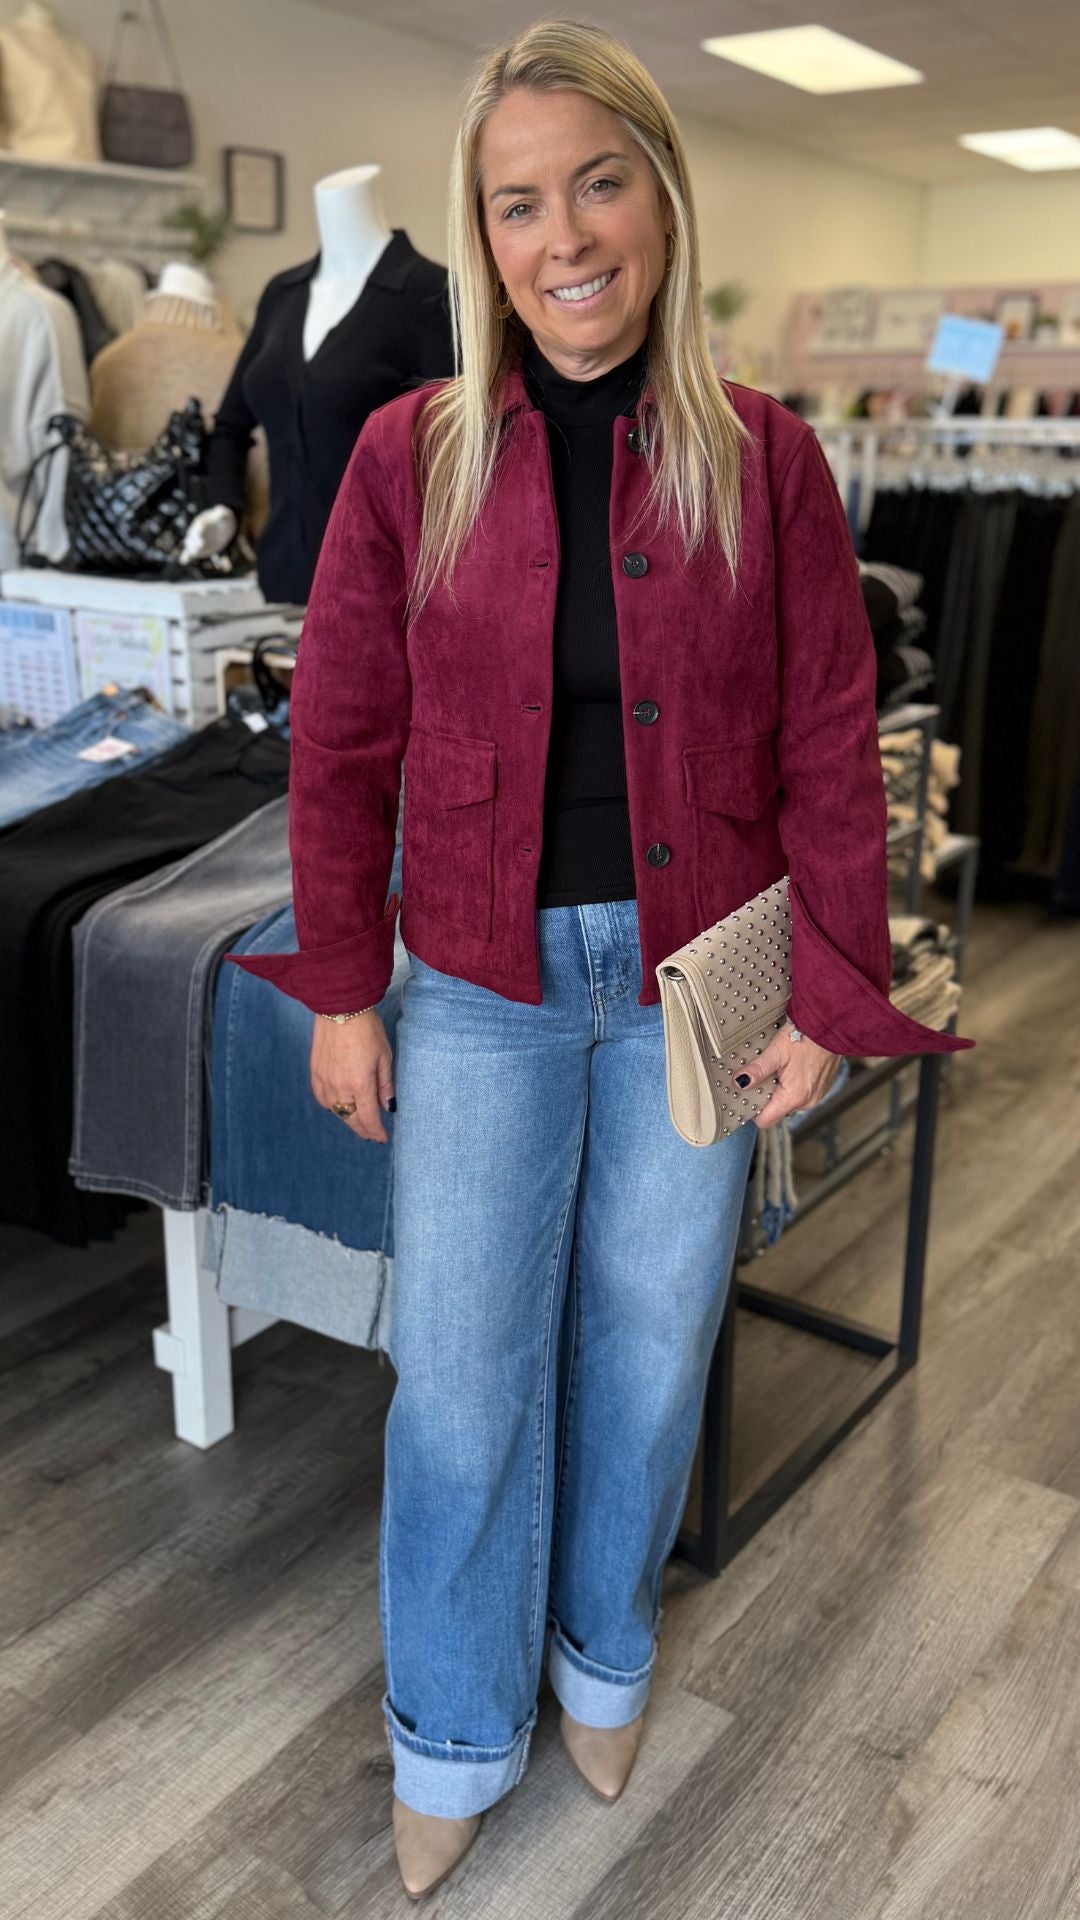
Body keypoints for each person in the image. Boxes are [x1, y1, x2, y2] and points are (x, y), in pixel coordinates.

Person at [226, 16, 975, 1901]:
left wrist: (828, 989)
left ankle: (604, 1659)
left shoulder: (766, 459)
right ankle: (453, 1728)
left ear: (662, 195)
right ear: (482, 236)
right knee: (464, 1378)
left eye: (598, 185)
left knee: (648, 1350)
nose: (562, 238)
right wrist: (341, 987)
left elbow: (828, 737)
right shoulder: (411, 457)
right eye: (516, 205)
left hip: (693, 980)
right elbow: (342, 738)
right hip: (478, 986)